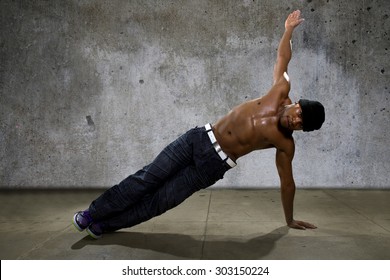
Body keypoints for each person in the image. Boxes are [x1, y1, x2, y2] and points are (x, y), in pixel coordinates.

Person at [73, 10, 325, 239]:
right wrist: (288, 29)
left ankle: (105, 225)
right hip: (198, 139)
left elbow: (287, 183)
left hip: (212, 166)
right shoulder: (281, 89)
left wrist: (289, 219)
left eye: (301, 125)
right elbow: (282, 57)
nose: (296, 120)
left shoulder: (284, 144)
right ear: (297, 104)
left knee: (160, 202)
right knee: (146, 179)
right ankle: (92, 213)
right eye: (300, 113)